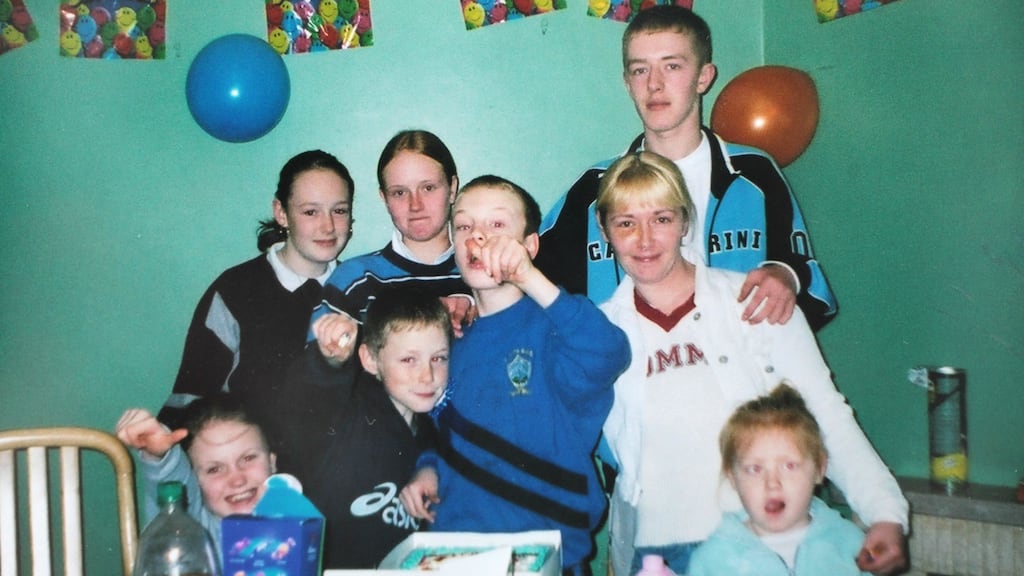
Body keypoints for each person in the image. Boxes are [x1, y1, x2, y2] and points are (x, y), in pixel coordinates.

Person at [594, 152, 906, 575]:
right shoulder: (596, 333)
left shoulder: (756, 304)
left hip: (759, 549)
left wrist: (884, 511)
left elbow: (823, 411)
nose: (645, 240)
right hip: (652, 553)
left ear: (686, 222)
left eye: (662, 219)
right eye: (626, 222)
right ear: (604, 230)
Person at [535, 4, 837, 332]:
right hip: (632, 375)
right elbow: (528, 268)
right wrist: (467, 293)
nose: (654, 84)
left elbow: (809, 282)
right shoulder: (596, 187)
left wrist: (786, 275)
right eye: (640, 70)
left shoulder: (754, 174)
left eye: (672, 66)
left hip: (739, 371)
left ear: (703, 77)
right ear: (627, 83)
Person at [399, 176, 631, 576]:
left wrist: (529, 278)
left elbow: (608, 352)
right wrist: (428, 467)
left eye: (497, 226)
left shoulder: (553, 325)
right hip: (458, 554)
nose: (479, 238)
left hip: (545, 555)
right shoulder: (449, 338)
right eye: (465, 226)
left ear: (530, 246)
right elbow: (443, 430)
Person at [156, 150, 355, 455]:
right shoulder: (235, 291)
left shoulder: (360, 289)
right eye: (310, 212)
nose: (328, 226)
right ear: (281, 213)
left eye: (339, 210)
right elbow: (189, 405)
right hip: (254, 482)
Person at [289, 289, 452, 569]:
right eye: (408, 360)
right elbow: (317, 398)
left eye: (438, 358)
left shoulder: (430, 425)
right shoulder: (354, 411)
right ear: (370, 360)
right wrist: (330, 361)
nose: (428, 376)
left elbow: (439, 443)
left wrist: (430, 467)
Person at [308, 129, 472, 373]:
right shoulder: (355, 280)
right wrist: (335, 354)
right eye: (399, 192)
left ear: (452, 188)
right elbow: (313, 375)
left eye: (428, 188)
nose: (415, 205)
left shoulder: (482, 275)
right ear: (384, 198)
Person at [688, 383, 872, 575]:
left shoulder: (849, 544)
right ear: (732, 478)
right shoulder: (713, 560)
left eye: (789, 466)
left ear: (819, 469)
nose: (772, 483)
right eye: (755, 469)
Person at [116, 393, 276, 554]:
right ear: (196, 481)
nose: (237, 480)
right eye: (214, 469)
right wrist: (160, 455)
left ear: (272, 463)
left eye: (248, 458)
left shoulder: (299, 522)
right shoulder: (196, 534)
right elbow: (173, 482)